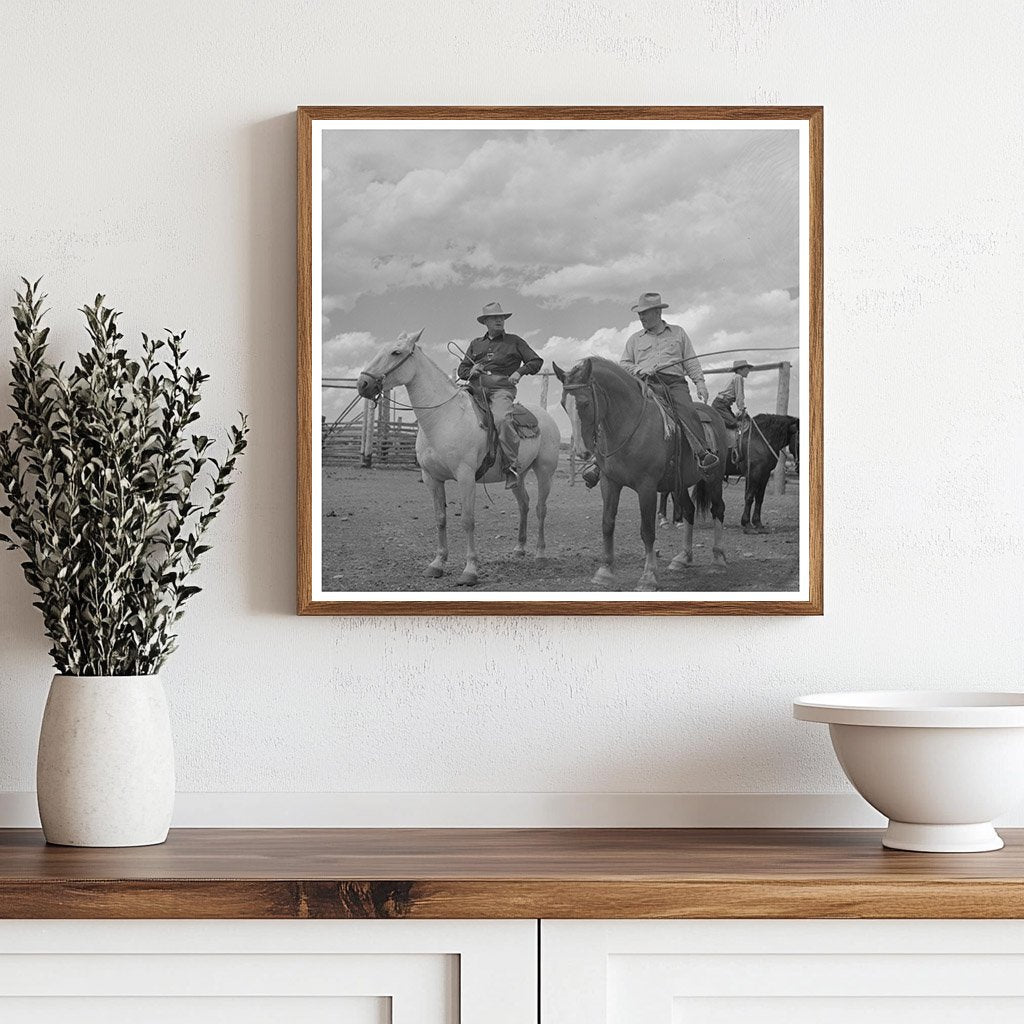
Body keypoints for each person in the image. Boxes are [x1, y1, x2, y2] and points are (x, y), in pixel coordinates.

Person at [619, 292, 719, 475]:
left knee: (687, 411)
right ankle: (599, 461)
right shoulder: (634, 339)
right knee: (619, 411)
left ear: (657, 312)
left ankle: (701, 453)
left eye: (645, 313)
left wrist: (700, 384)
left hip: (674, 384)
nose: (641, 317)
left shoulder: (678, 333)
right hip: (644, 384)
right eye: (639, 313)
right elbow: (624, 364)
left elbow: (691, 361)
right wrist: (640, 370)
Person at [457, 302, 542, 488]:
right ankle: (438, 459)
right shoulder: (475, 344)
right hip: (474, 388)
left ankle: (511, 466)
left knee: (502, 419)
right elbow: (461, 371)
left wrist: (519, 372)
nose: (499, 320)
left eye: (501, 317)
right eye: (495, 317)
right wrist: (472, 369)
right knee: (450, 408)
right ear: (485, 322)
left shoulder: (515, 341)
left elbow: (536, 361)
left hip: (501, 390)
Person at [712, 359, 753, 429]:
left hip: (722, 404)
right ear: (740, 370)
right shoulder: (738, 377)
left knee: (734, 420)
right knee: (735, 424)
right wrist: (741, 409)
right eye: (746, 369)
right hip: (721, 404)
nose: (748, 371)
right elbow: (739, 395)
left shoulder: (736, 377)